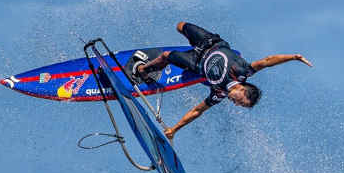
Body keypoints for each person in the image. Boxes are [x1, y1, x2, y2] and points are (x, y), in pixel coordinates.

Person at [131, 22, 312, 140]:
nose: (235, 103)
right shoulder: (243, 71)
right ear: (243, 89)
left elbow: (197, 111)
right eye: (240, 101)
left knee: (166, 56)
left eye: (238, 105)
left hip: (197, 62)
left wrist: (175, 129)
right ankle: (186, 53)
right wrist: (293, 57)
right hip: (210, 43)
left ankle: (143, 70)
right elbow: (267, 61)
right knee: (179, 26)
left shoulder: (219, 93)